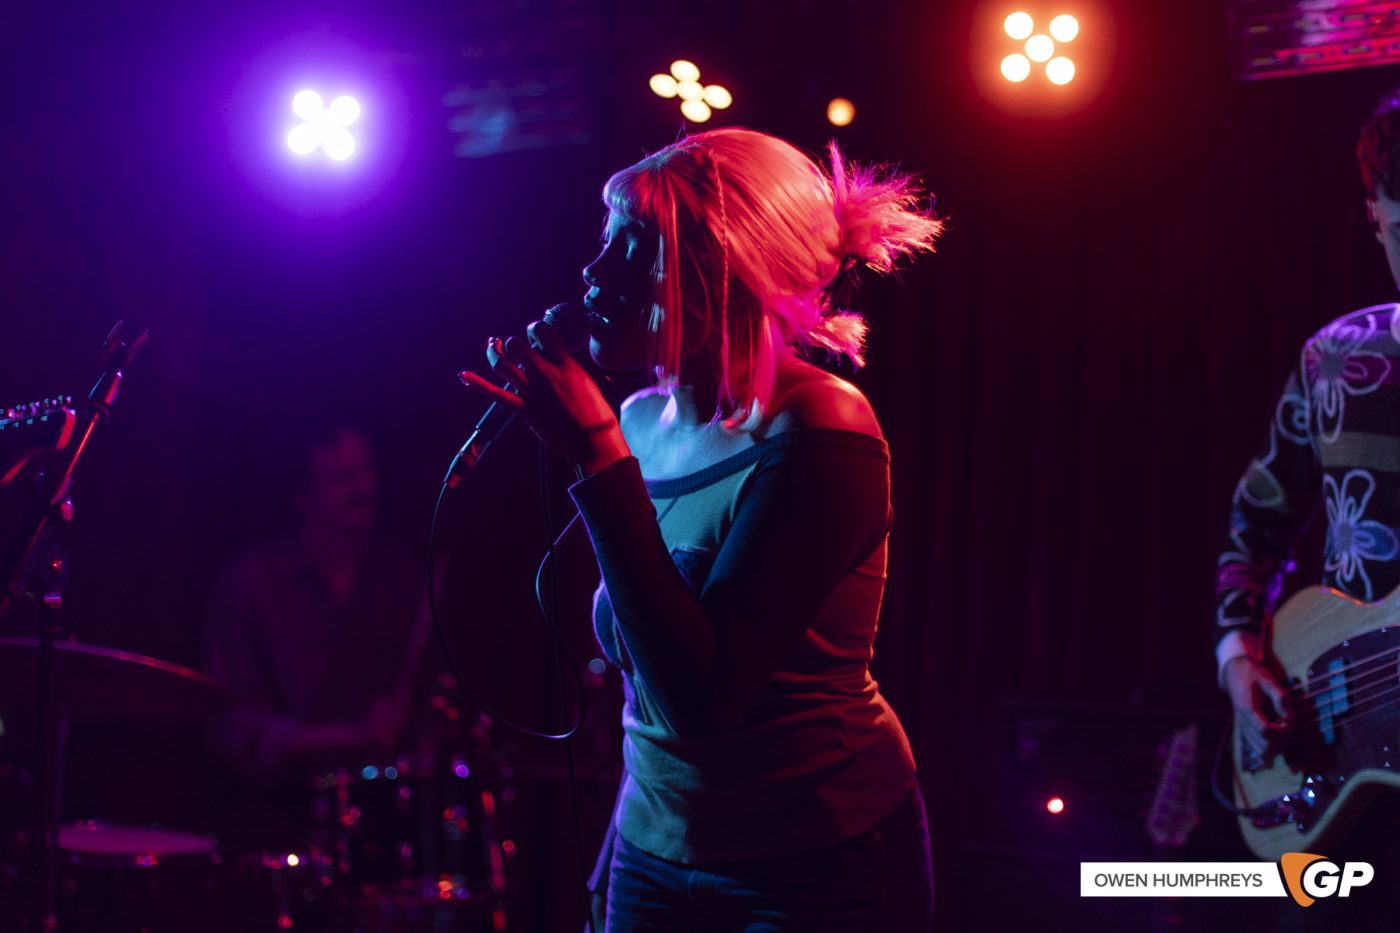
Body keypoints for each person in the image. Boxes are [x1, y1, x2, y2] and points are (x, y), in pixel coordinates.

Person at [459, 127, 940, 932]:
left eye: (636, 247)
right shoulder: (640, 421)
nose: (594, 272)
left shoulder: (820, 426)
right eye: (605, 242)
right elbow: (645, 681)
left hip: (813, 866)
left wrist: (596, 455)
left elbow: (700, 697)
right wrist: (621, 838)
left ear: (727, 269)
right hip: (653, 853)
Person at [1216, 88, 1400, 930]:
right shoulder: (1338, 356)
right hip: (1342, 762)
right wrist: (1239, 655)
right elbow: (1255, 521)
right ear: (1373, 215)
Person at [202, 425, 430, 848]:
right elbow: (231, 730)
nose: (362, 489)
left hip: (381, 823)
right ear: (302, 496)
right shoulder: (252, 582)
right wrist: (353, 736)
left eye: (364, 473)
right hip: (271, 821)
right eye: (342, 479)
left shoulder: (404, 578)